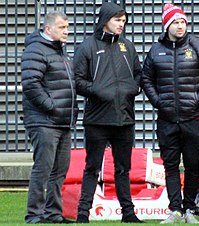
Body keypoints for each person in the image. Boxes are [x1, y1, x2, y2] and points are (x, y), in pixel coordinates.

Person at [141, 3, 199, 224]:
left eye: (183, 22)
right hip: (166, 119)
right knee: (171, 165)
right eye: (175, 22)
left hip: (193, 118)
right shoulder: (156, 50)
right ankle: (174, 209)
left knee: (193, 165)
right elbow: (146, 79)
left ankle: (190, 209)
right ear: (167, 25)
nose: (180, 26)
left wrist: (198, 99)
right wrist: (157, 102)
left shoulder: (198, 46)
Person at [74, 2, 143, 224]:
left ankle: (128, 213)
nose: (121, 25)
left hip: (124, 118)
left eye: (124, 21)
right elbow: (77, 81)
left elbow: (139, 74)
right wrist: (97, 91)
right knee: (92, 167)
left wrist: (134, 88)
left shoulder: (128, 47)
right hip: (97, 119)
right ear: (105, 21)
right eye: (117, 20)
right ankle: (83, 214)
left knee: (124, 168)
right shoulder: (87, 47)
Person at [21, 11, 78, 224]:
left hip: (62, 121)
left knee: (59, 171)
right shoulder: (35, 50)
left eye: (67, 27)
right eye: (62, 27)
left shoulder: (60, 52)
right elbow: (31, 84)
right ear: (48, 29)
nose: (67, 31)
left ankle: (53, 214)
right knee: (43, 169)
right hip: (44, 121)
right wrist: (51, 107)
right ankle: (34, 215)